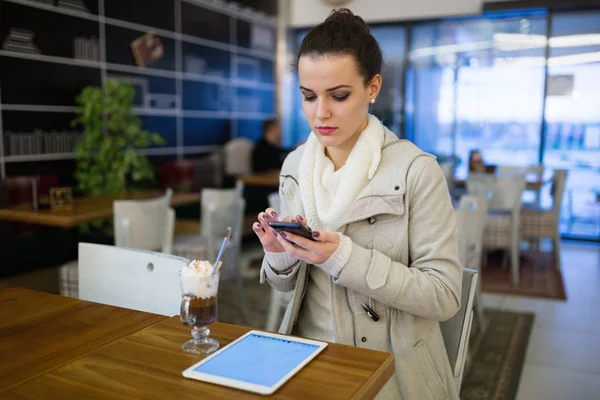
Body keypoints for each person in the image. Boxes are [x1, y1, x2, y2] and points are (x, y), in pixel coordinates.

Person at [252, 9, 462, 400]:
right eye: (308, 96)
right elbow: (285, 286)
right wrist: (280, 254)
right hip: (305, 356)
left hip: (389, 366)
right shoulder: (296, 165)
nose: (321, 113)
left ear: (372, 87)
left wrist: (344, 258)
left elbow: (444, 296)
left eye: (339, 95)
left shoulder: (417, 171)